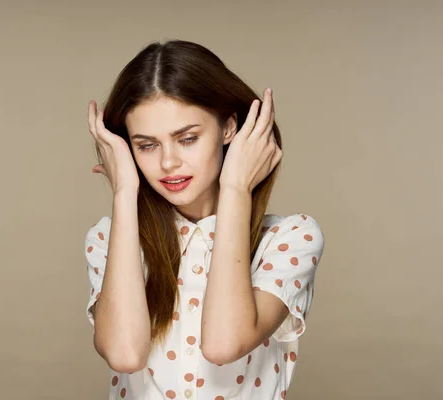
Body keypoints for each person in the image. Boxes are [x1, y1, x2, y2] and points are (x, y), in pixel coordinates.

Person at [84, 39, 325, 400]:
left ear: (229, 128)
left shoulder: (290, 238)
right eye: (147, 145)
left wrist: (235, 189)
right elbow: (124, 354)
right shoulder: (112, 238)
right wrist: (123, 193)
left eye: (188, 138)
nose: (168, 162)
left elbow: (224, 344)